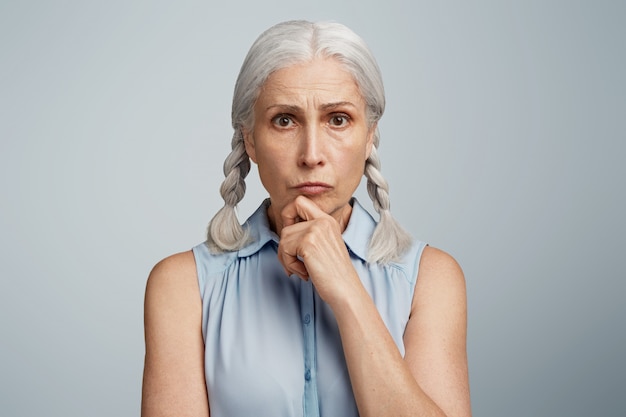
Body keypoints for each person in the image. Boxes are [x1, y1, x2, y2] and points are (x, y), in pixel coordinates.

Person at [141, 20, 471, 417]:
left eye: (338, 119)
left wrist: (347, 290)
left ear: (370, 136)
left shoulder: (430, 279)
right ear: (249, 140)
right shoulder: (182, 287)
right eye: (284, 120)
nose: (311, 154)